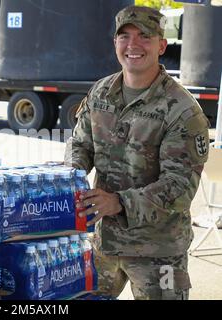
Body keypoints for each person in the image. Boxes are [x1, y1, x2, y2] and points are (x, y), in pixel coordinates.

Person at [64, 5, 210, 300]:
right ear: (115, 43)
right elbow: (81, 145)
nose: (133, 45)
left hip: (158, 252)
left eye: (144, 36)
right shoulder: (101, 92)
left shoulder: (182, 110)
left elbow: (179, 187)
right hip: (104, 243)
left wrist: (118, 202)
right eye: (125, 36)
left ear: (161, 45)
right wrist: (69, 175)